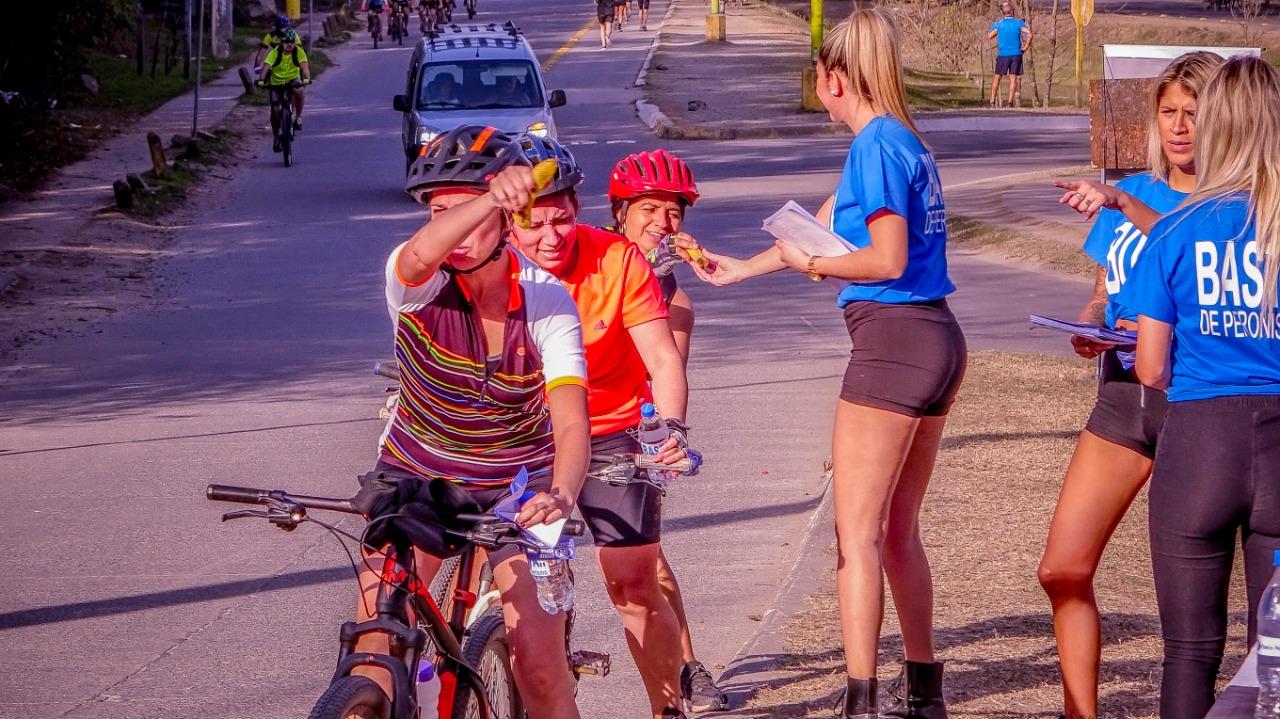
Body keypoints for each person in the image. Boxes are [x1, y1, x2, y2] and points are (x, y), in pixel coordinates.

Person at [689, 10, 965, 718]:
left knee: (858, 535)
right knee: (897, 528)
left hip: (894, 344)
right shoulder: (902, 141)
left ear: (832, 77)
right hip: (936, 338)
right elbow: (810, 231)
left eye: (816, 75)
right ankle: (924, 692)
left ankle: (861, 699)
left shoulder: (873, 146)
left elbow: (885, 258)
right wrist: (738, 269)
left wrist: (816, 264)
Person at [351, 125, 591, 719]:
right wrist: (484, 198)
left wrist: (561, 494)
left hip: (518, 486)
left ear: (512, 220)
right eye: (439, 212)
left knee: (537, 661)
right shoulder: (416, 283)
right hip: (419, 475)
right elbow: (420, 253)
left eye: (469, 213)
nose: (449, 229)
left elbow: (569, 420)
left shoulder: (546, 299)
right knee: (374, 646)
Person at [1035, 51, 1222, 719]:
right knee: (1061, 568)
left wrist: (1121, 199)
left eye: (1193, 114)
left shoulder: (1223, 203)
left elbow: (1187, 255)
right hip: (1120, 394)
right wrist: (1089, 324)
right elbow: (1101, 292)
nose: (1178, 127)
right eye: (1168, 112)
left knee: (1193, 610)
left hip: (1191, 401)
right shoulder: (1130, 194)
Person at [505, 134, 696, 719]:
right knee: (511, 593)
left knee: (634, 586)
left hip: (611, 430)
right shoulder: (492, 263)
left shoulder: (618, 259)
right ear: (507, 221)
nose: (549, 238)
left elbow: (663, 360)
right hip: (523, 436)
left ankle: (669, 710)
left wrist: (669, 430)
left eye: (561, 221)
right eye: (533, 225)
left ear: (578, 211)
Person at [1117, 55, 1280, 719]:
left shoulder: (1178, 229)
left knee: (1189, 650)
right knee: (1270, 654)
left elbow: (1151, 368)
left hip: (1199, 445)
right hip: (1278, 443)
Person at [608, 149, 729, 712]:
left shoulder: (675, 302)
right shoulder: (587, 261)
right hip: (555, 422)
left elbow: (664, 382)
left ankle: (685, 668)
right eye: (648, 209)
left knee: (648, 562)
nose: (662, 222)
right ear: (620, 213)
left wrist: (660, 445)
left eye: (673, 213)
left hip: (627, 434)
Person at [256, 29, 310, 151]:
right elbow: (266, 67)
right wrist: (261, 80)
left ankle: (298, 118)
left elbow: (305, 68)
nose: (289, 44)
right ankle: (276, 138)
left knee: (300, 90)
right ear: (281, 43)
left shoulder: (299, 52)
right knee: (274, 110)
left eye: (291, 42)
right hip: (276, 82)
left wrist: (306, 78)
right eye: (286, 42)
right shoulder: (275, 52)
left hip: (293, 79)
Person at [987, 2, 1031, 108]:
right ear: (1012, 12)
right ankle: (1010, 102)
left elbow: (989, 36)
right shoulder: (1019, 23)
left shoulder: (999, 24)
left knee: (997, 77)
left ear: (1003, 13)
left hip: (1003, 54)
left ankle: (992, 101)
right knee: (1013, 78)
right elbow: (1030, 34)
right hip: (1016, 54)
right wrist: (1025, 47)